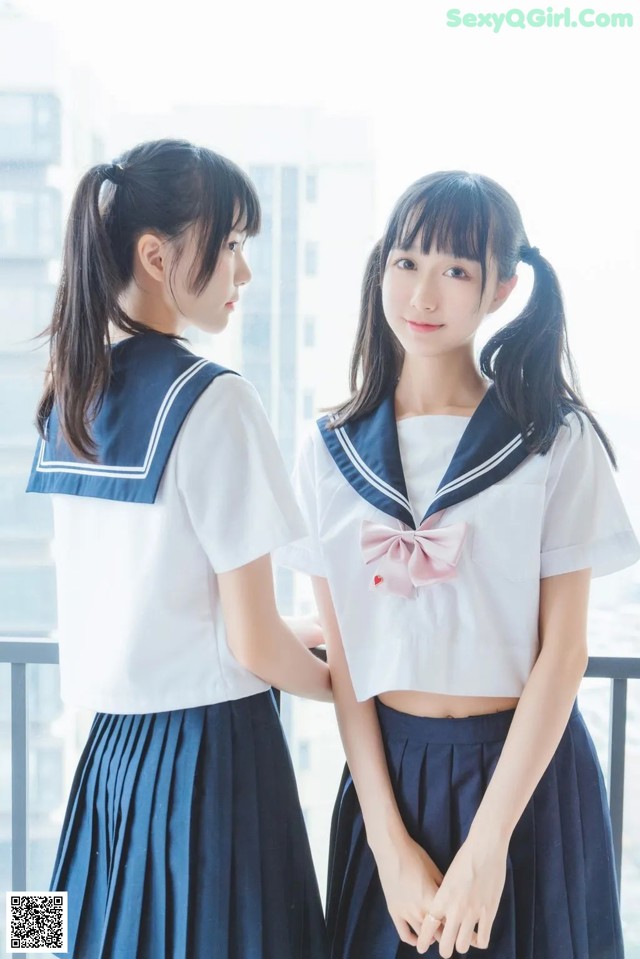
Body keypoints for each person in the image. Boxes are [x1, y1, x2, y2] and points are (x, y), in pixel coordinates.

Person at [277, 171, 639, 958]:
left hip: (527, 779)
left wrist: (487, 847)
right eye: (406, 261)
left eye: (456, 270)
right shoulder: (328, 450)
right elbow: (345, 660)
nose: (424, 291)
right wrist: (384, 835)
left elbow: (563, 652)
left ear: (502, 288)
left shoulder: (553, 439)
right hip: (392, 782)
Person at [26, 138, 330, 959]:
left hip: (106, 758)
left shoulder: (71, 394)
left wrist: (279, 632)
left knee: (66, 933)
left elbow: (156, 594)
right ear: (156, 255)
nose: (244, 273)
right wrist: (351, 686)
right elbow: (253, 641)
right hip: (212, 763)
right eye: (231, 246)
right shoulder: (216, 398)